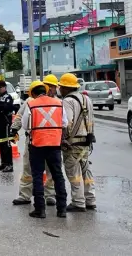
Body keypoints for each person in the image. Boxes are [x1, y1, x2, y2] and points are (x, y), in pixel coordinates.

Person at [16, 80, 68, 218]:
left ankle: (40, 209)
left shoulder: (31, 104)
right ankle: (62, 209)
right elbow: (64, 123)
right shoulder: (58, 103)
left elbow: (26, 125)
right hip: (55, 145)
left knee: (37, 176)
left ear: (32, 93)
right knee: (58, 176)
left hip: (37, 144)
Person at [11, 74, 59, 206]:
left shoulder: (57, 103)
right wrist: (14, 129)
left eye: (54, 87)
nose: (53, 90)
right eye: (51, 87)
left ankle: (50, 195)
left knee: (50, 170)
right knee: (28, 168)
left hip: (50, 140)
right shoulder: (30, 101)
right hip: (34, 140)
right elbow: (20, 116)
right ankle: (25, 195)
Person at [58, 73, 97, 212]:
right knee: (86, 171)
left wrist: (63, 138)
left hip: (72, 143)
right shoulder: (86, 99)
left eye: (61, 87)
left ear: (65, 88)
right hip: (86, 141)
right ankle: (90, 199)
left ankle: (78, 202)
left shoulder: (68, 101)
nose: (59, 90)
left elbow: (67, 122)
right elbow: (91, 120)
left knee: (73, 172)